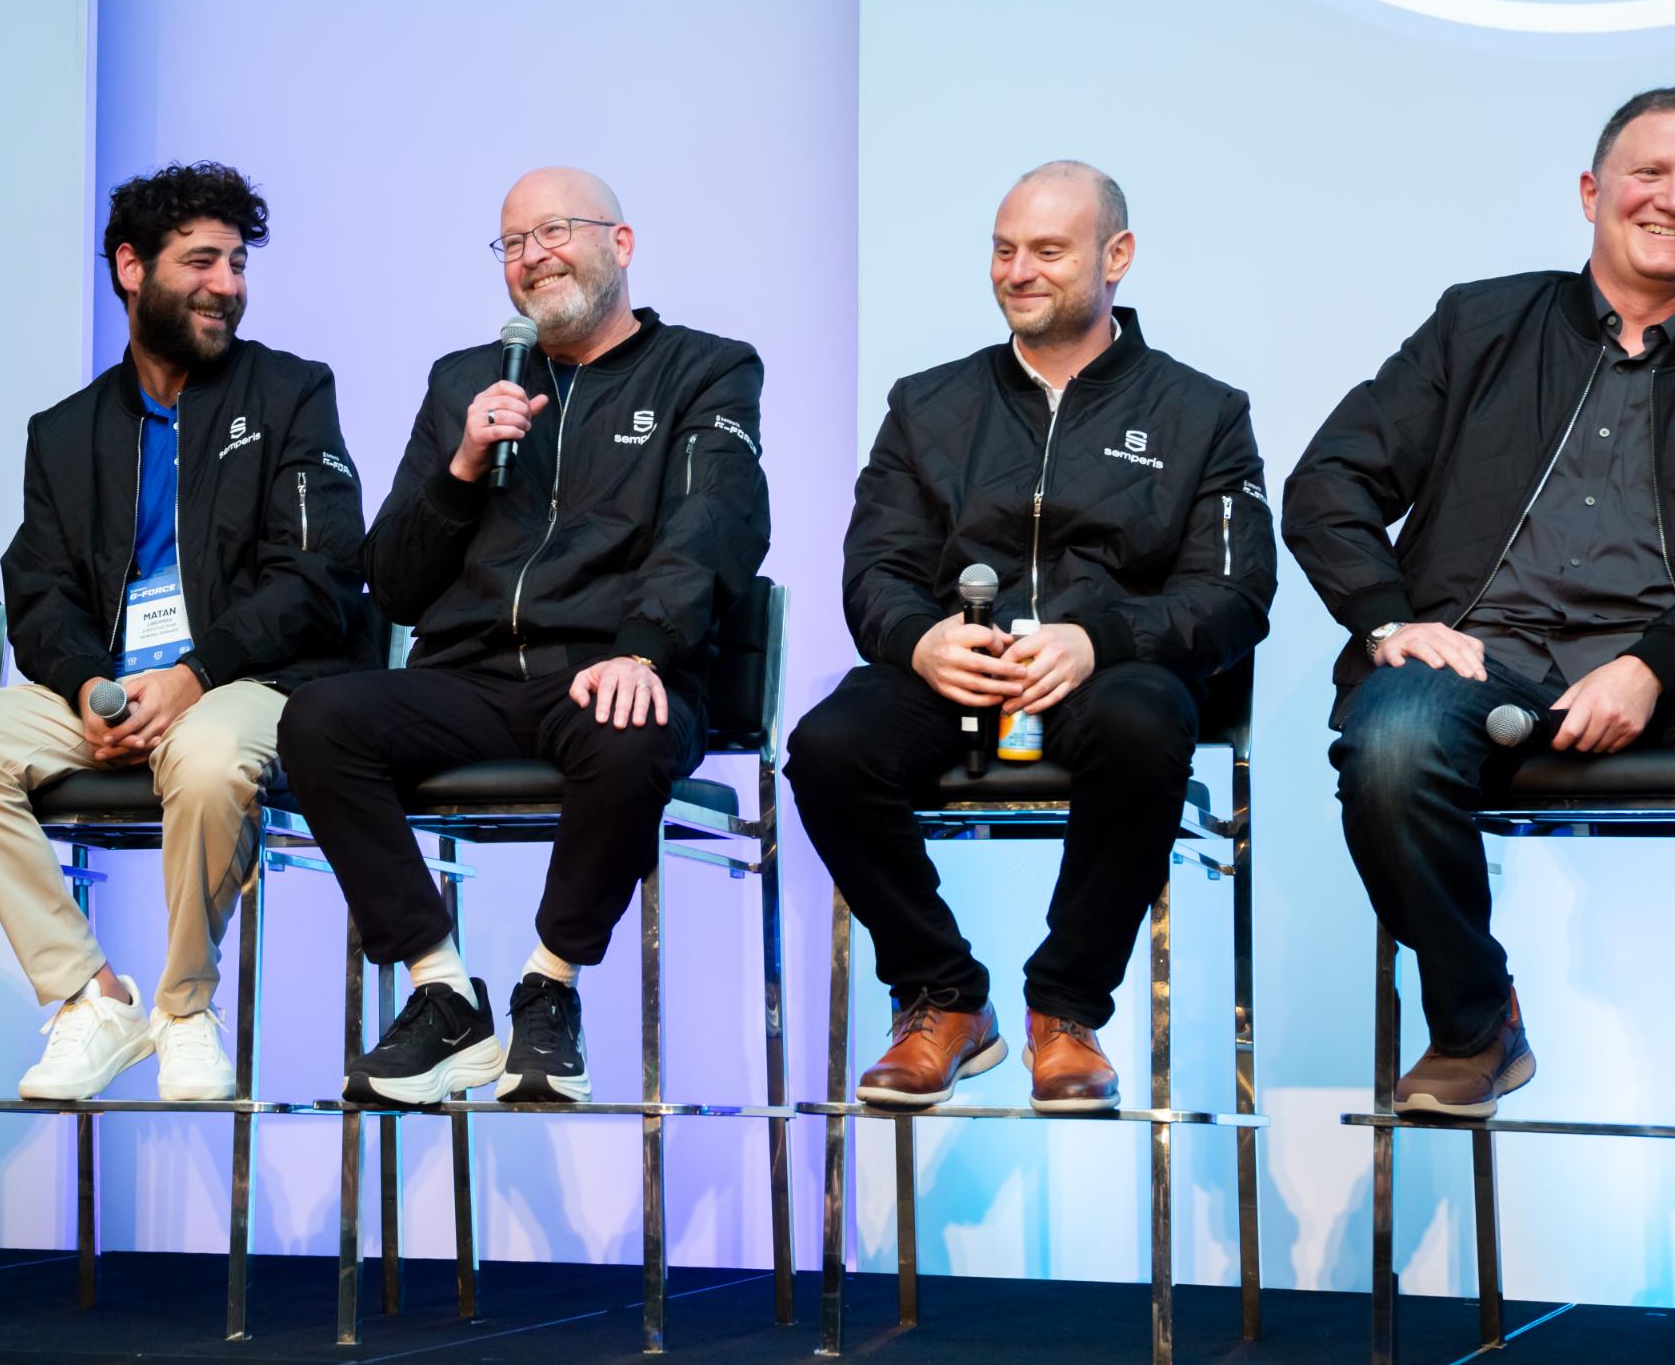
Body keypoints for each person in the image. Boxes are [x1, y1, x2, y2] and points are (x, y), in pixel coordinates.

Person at [786, 162, 1274, 1112]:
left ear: (1116, 258)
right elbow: (874, 569)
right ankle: (943, 996)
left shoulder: (1203, 411)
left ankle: (1066, 1010)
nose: (1019, 271)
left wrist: (1098, 638)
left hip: (1110, 670)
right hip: (953, 669)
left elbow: (1237, 590)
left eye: (1048, 251)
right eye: (1004, 250)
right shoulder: (927, 403)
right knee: (827, 747)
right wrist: (922, 639)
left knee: (1143, 723)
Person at [279, 166, 770, 1106]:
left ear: (619, 245)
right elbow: (399, 579)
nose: (534, 257)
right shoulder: (465, 380)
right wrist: (460, 467)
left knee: (630, 728)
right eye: (513, 242)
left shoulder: (707, 369)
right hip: (464, 679)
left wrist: (644, 647)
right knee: (317, 720)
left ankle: (549, 986)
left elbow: (718, 522)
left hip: (607, 669)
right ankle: (441, 995)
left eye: (556, 231)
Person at [0, 162, 373, 1101]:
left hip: (253, 680)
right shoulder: (65, 431)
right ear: (132, 268)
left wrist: (196, 673)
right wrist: (87, 685)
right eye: (201, 261)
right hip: (110, 692)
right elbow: (36, 589)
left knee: (206, 761)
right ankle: (90, 998)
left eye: (238, 263)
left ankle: (186, 1008)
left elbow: (321, 571)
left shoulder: (289, 395)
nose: (228, 285)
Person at [1286, 87, 1675, 1118]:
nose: (1668, 199)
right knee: (1392, 745)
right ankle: (1474, 1023)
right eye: (1650, 173)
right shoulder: (1483, 322)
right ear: (1594, 192)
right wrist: (1388, 619)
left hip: (1660, 663)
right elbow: (1329, 482)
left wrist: (1654, 663)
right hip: (1480, 652)